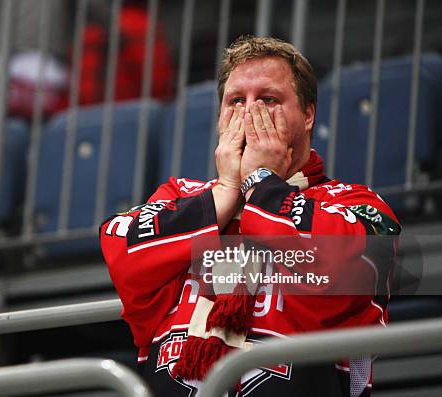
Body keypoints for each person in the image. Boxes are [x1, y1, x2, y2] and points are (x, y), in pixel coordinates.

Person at [100, 36, 401, 396]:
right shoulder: (182, 194)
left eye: (268, 100)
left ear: (307, 115)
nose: (249, 113)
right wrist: (225, 190)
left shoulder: (355, 204)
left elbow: (336, 280)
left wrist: (260, 184)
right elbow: (120, 246)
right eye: (236, 101)